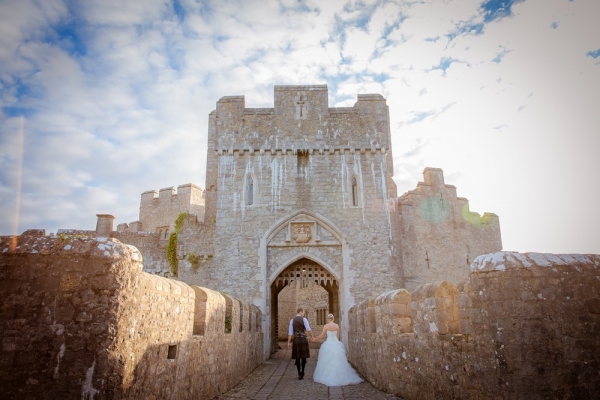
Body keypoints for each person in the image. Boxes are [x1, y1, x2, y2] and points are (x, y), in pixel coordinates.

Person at [311, 314, 363, 386]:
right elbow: (338, 336)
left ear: (328, 319)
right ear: (333, 319)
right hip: (336, 343)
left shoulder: (326, 326)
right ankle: (340, 375)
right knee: (338, 359)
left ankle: (327, 375)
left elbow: (322, 335)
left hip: (328, 343)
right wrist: (336, 342)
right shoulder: (337, 326)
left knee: (327, 359)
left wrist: (315, 339)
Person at [287, 307, 314, 380]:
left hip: (296, 340)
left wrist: (289, 342)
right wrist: (312, 336)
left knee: (298, 357)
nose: (304, 314)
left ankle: (299, 373)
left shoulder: (292, 320)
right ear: (300, 312)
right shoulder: (304, 319)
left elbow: (290, 332)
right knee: (304, 357)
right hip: (303, 339)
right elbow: (308, 329)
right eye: (303, 312)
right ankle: (302, 372)